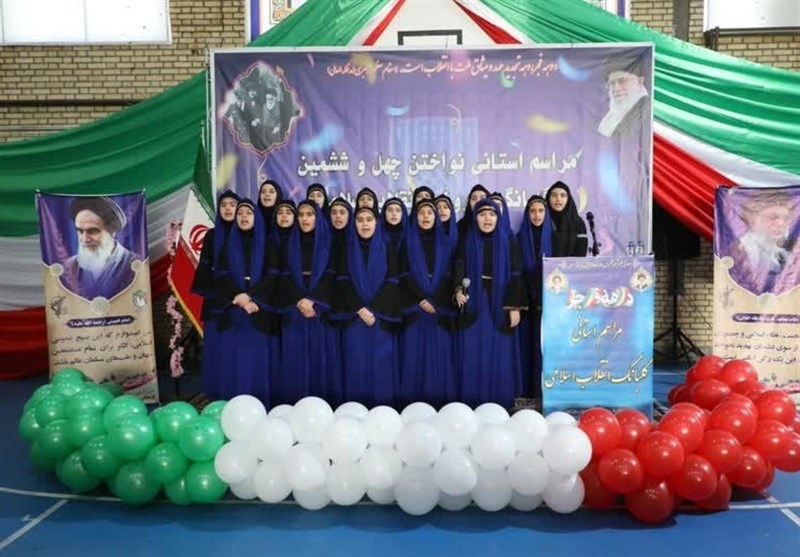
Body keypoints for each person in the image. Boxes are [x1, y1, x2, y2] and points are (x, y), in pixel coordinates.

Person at [453, 199, 525, 408]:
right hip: (474, 303)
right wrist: (458, 290)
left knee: (499, 351)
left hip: (501, 303)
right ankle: (472, 400)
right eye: (482, 214)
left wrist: (514, 307)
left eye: (492, 214)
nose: (487, 219)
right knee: (473, 350)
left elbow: (516, 274)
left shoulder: (509, 240)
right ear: (475, 217)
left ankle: (499, 400)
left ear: (498, 218)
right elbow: (458, 266)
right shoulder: (467, 239)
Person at [331, 206, 401, 407]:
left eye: (369, 219)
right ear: (354, 223)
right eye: (360, 220)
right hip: (355, 318)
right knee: (356, 365)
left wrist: (374, 309)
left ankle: (382, 413)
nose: (364, 224)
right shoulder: (348, 247)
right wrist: (360, 308)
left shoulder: (386, 245)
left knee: (381, 368)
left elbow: (392, 280)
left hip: (380, 318)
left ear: (376, 223)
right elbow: (343, 280)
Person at [271, 201, 340, 405]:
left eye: (309, 214)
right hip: (295, 310)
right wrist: (300, 300)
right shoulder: (288, 243)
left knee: (321, 358)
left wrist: (313, 300)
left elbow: (332, 275)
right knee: (296, 359)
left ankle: (323, 405)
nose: (304, 219)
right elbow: (284, 275)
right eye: (301, 214)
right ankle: (295, 403)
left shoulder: (329, 242)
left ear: (317, 218)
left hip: (320, 310)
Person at [209, 198, 273, 403]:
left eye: (249, 213)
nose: (244, 217)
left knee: (256, 360)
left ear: (257, 217)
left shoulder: (268, 244)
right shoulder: (228, 244)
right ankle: (234, 403)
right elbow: (221, 275)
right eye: (240, 213)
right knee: (235, 359)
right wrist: (240, 298)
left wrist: (252, 296)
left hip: (258, 309)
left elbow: (272, 276)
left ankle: (258, 403)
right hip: (235, 308)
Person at [399, 200, 457, 407]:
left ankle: (439, 403)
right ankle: (412, 404)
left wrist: (435, 301)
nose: (425, 216)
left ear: (436, 218)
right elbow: (403, 275)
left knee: (438, 357)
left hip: (438, 309)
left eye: (429, 213)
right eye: (421, 213)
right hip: (415, 308)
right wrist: (420, 299)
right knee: (414, 356)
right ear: (415, 217)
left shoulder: (446, 244)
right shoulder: (406, 243)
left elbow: (450, 276)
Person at [191, 190, 240, 400]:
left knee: (238, 350)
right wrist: (219, 294)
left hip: (241, 302)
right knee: (219, 350)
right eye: (224, 205)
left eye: (232, 205)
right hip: (217, 301)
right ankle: (218, 394)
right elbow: (205, 268)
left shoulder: (250, 234)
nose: (228, 208)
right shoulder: (212, 235)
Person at [61, 196, 138, 300]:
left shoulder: (135, 264)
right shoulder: (68, 267)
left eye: (93, 231)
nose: (84, 239)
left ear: (112, 231)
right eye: (80, 231)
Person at [517, 195, 553, 401]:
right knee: (526, 346)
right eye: (533, 211)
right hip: (525, 301)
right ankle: (527, 389)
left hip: (548, 301)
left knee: (544, 347)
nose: (537, 215)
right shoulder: (519, 237)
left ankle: (543, 391)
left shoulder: (554, 237)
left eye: (541, 211)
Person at [729, 192, 796, 295]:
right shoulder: (738, 252)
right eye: (773, 217)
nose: (781, 224)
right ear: (753, 220)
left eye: (785, 219)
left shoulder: (787, 251)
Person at [597, 55, 650, 138]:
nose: (616, 88)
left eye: (622, 81)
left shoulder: (647, 111)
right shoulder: (611, 116)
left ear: (640, 82)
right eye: (612, 83)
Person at [546, 181, 588, 257]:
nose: (558, 199)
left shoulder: (577, 222)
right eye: (554, 195)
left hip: (572, 264)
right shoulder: (541, 220)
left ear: (568, 199)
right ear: (548, 198)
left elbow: (580, 255)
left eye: (562, 195)